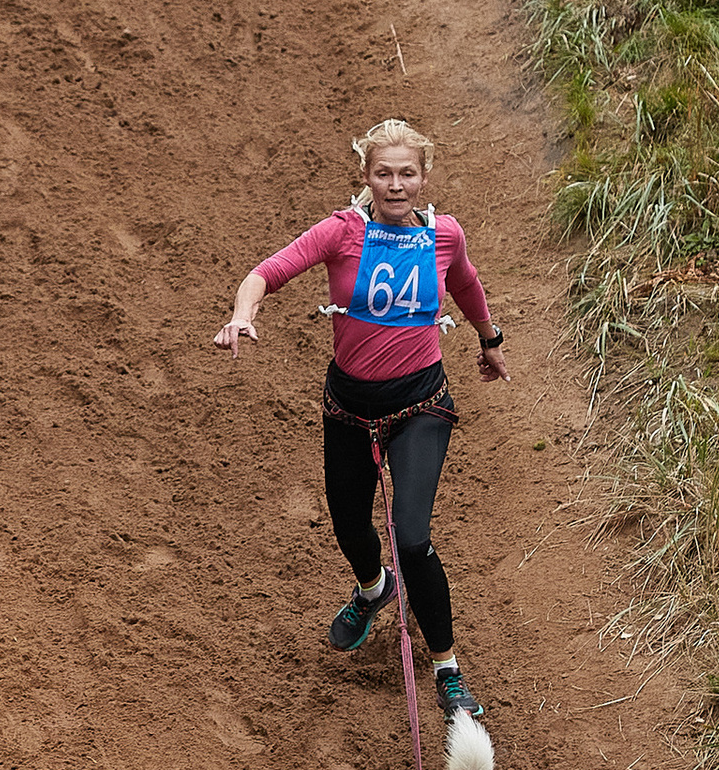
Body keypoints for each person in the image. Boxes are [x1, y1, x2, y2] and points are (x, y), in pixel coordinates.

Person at [214, 117, 508, 721]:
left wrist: (489, 338)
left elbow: (467, 284)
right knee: (349, 521)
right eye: (383, 173)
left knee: (413, 535)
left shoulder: (443, 235)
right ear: (366, 177)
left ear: (424, 177)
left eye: (406, 173)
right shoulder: (341, 232)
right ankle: (375, 590)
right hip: (349, 404)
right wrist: (243, 313)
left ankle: (448, 671)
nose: (395, 184)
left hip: (420, 404)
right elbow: (266, 272)